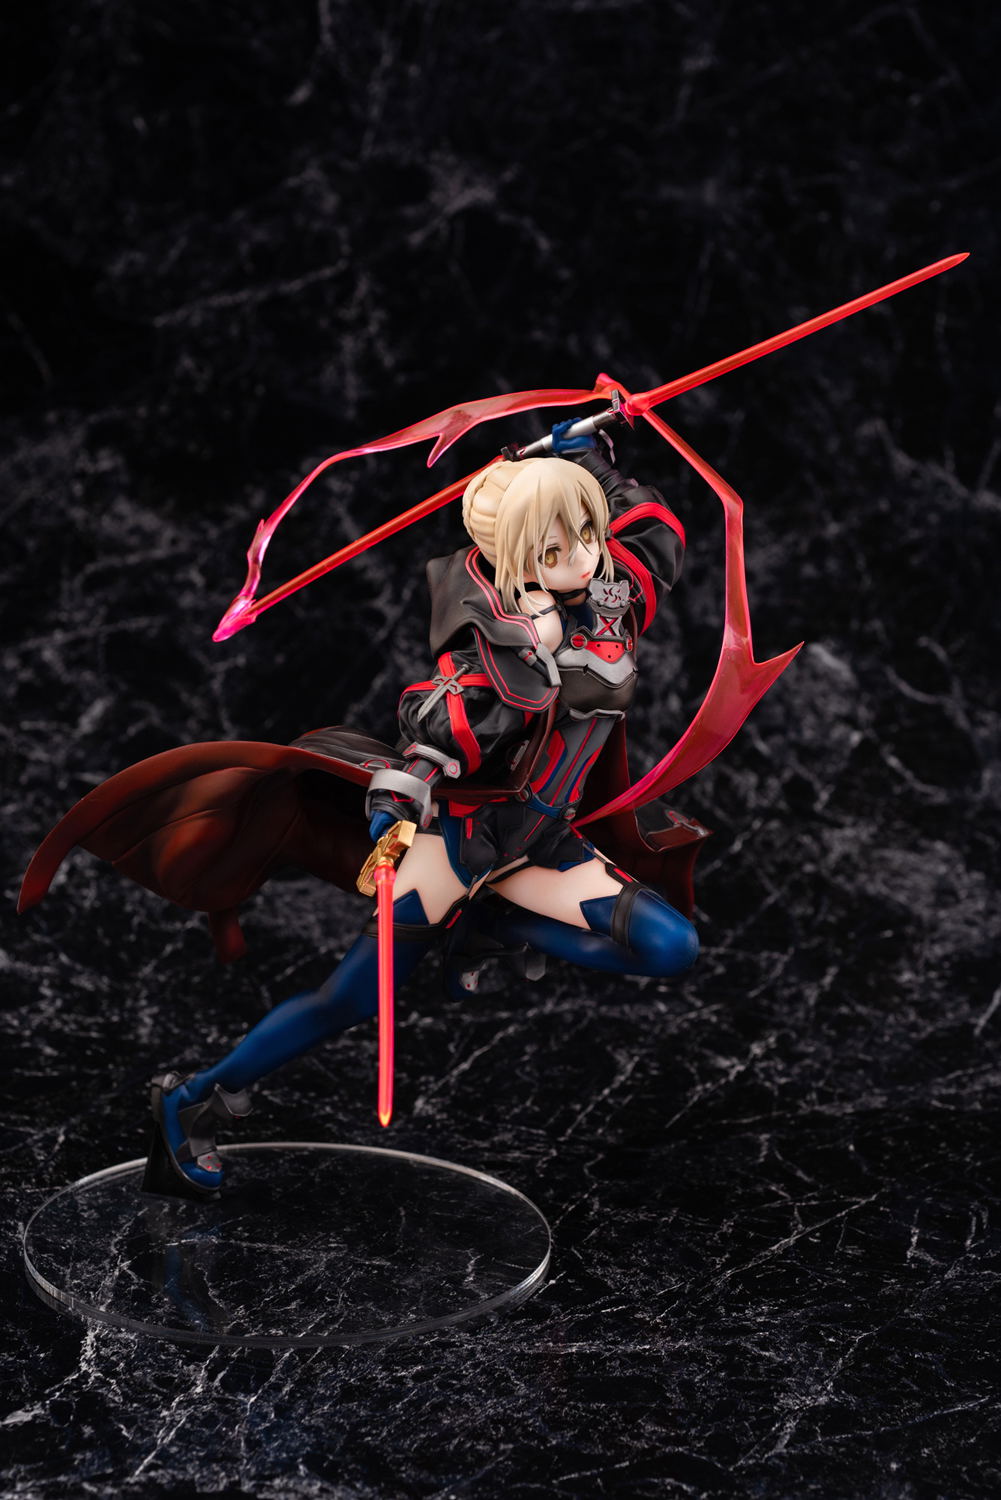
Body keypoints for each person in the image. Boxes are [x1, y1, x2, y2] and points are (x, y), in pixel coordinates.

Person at [20, 427, 708, 1198]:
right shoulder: (491, 661)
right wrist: (400, 795)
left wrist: (585, 452)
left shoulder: (613, 598)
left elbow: (652, 525)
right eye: (554, 550)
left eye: (585, 532)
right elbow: (434, 734)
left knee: (669, 946)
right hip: (457, 849)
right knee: (348, 1000)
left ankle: (496, 925)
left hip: (541, 845)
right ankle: (190, 1102)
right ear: (514, 563)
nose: (583, 556)